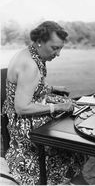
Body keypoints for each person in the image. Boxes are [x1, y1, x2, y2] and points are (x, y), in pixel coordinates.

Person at [2, 21, 88, 185]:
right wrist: (57, 107)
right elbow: (21, 107)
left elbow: (28, 87)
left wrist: (52, 88)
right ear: (40, 41)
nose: (58, 54)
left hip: (21, 111)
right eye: (54, 48)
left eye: (60, 48)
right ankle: (65, 173)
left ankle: (73, 173)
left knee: (71, 107)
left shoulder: (29, 53)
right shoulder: (30, 65)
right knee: (69, 126)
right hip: (22, 123)